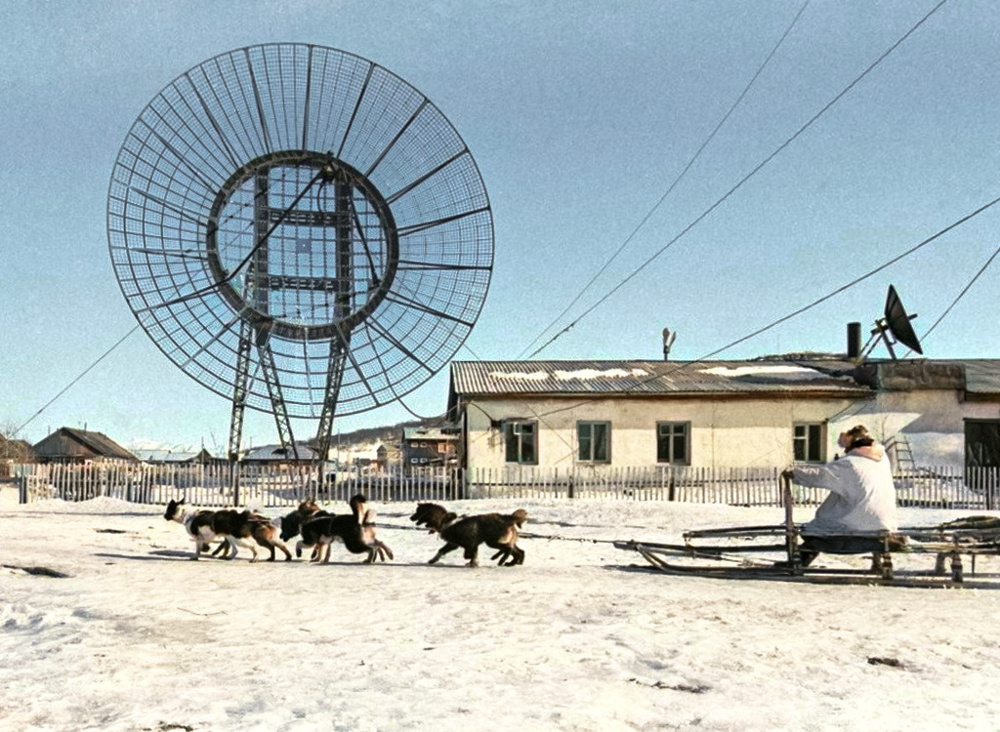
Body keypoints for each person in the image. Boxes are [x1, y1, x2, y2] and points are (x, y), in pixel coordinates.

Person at [782, 424, 899, 567]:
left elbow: (821, 476)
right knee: (823, 523)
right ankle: (879, 562)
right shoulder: (881, 460)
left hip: (858, 527)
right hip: (885, 524)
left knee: (814, 531)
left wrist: (795, 474)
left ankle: (799, 561)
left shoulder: (850, 464)